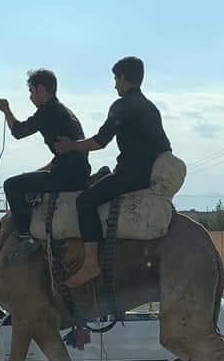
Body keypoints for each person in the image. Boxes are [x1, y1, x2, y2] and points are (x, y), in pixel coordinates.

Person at [53, 56, 174, 287]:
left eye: (116, 79)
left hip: (130, 176)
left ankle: (90, 264)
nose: (114, 85)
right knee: (103, 175)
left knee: (85, 201)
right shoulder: (151, 108)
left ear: (124, 78)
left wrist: (72, 145)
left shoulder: (122, 105)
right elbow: (164, 146)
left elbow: (100, 141)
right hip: (144, 175)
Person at [0, 69, 92, 256]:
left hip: (66, 177)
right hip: (76, 171)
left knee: (11, 185)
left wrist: (6, 110)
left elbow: (18, 131)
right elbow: (66, 153)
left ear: (41, 89)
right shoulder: (63, 111)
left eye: (31, 92)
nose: (30, 98)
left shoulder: (48, 111)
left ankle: (26, 238)